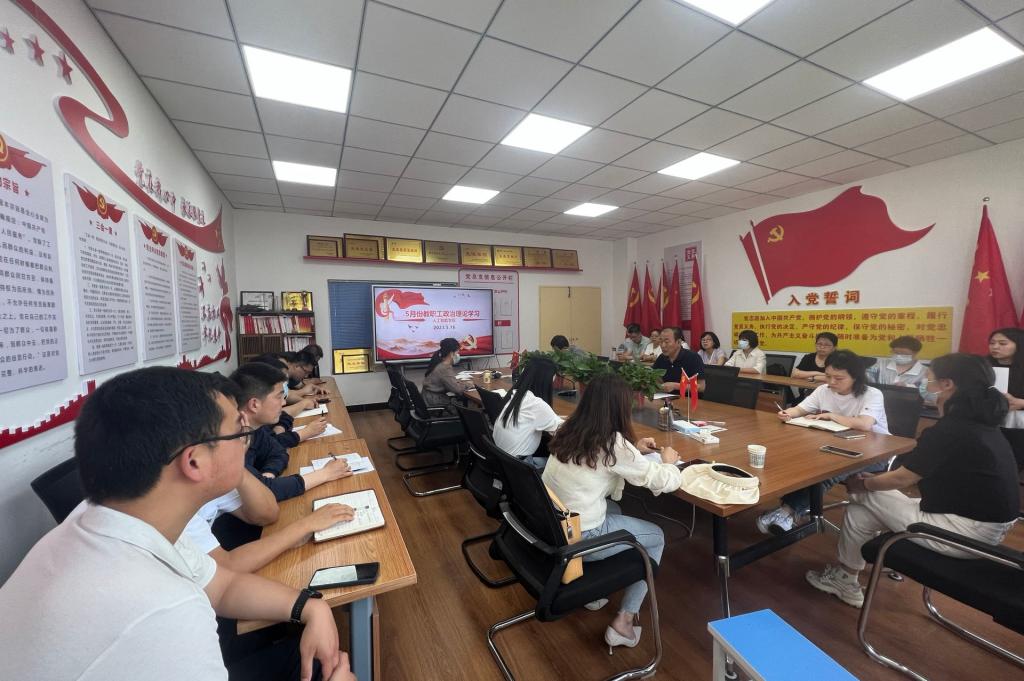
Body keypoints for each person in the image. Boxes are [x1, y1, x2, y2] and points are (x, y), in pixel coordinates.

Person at [0, 367, 355, 681]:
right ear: (194, 461)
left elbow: (221, 585)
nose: (246, 442)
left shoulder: (118, 519)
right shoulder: (165, 610)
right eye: (238, 433)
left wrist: (311, 606)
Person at [805, 353, 1020, 608]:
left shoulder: (950, 429)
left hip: (962, 533)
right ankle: (845, 579)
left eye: (929, 381)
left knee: (863, 494)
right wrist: (872, 482)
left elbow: (903, 478)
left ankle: (845, 577)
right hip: (983, 526)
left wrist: (862, 484)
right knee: (860, 511)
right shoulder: (980, 425)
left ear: (947, 384)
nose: (925, 388)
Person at [544, 373, 682, 652]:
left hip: (553, 525)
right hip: (581, 536)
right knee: (656, 536)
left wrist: (634, 450)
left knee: (615, 508)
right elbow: (663, 481)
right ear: (620, 407)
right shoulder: (613, 444)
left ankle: (593, 592)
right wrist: (669, 462)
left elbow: (605, 461)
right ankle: (625, 621)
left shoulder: (569, 428)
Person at [758, 350, 890, 535]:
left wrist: (830, 415)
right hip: (833, 445)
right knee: (795, 457)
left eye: (839, 378)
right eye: (828, 376)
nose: (831, 382)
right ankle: (786, 509)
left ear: (855, 377)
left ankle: (787, 511)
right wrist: (787, 413)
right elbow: (800, 409)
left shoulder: (872, 394)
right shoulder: (823, 390)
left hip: (874, 453)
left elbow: (864, 424)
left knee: (828, 470)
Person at [231, 362, 351, 502]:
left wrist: (268, 475)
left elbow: (278, 452)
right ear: (254, 404)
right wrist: (325, 473)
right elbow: (262, 493)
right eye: (279, 396)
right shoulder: (231, 442)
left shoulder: (254, 428)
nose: (283, 403)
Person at [492, 358, 562, 469]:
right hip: (519, 467)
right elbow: (565, 431)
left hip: (502, 461)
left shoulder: (515, 395)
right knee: (561, 465)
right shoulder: (536, 404)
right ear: (547, 381)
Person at [988, 327, 1024, 470]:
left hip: (1019, 426)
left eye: (1002, 343)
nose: (995, 347)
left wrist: (1021, 403)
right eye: (992, 343)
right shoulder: (982, 366)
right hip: (990, 423)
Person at [867, 335, 932, 404]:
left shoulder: (926, 372)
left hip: (908, 405)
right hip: (877, 403)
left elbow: (930, 395)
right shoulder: (880, 364)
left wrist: (907, 387)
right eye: (896, 352)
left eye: (904, 353)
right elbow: (866, 378)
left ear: (915, 353)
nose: (899, 356)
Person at [422, 337, 471, 413]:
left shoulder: (439, 362)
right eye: (457, 352)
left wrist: (460, 383)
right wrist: (469, 385)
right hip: (435, 403)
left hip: (430, 399)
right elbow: (457, 389)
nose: (458, 355)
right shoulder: (444, 368)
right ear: (451, 353)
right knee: (466, 412)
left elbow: (450, 383)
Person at [653, 326, 705, 393]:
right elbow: (657, 379)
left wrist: (675, 386)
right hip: (666, 397)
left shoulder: (693, 357)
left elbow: (701, 387)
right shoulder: (661, 358)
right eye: (661, 341)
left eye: (666, 342)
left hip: (688, 398)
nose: (663, 345)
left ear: (678, 342)